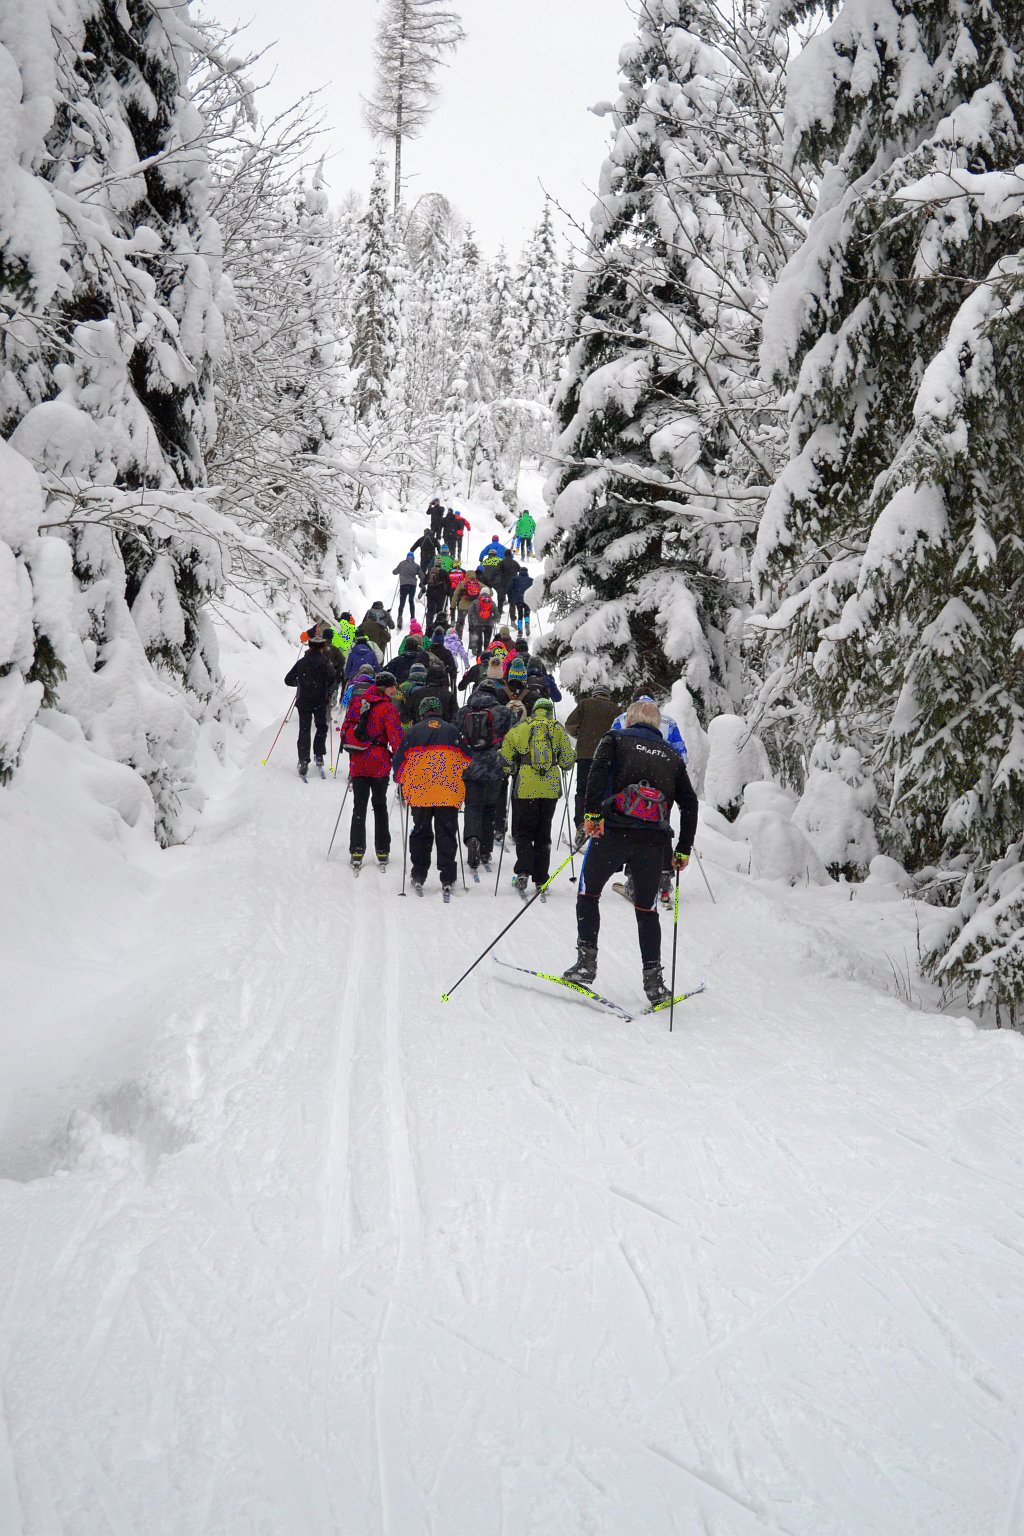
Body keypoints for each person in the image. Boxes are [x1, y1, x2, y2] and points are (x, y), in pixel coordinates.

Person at [564, 699, 698, 1005]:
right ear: (657, 725)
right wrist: (682, 849)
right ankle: (654, 983)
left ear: (629, 720)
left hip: (613, 833)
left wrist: (592, 815)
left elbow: (596, 775)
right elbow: (689, 803)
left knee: (588, 893)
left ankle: (586, 964)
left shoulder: (615, 739)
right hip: (653, 842)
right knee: (647, 910)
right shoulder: (671, 755)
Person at [611, 693, 688, 904]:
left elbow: (609, 749)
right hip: (663, 786)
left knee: (633, 831)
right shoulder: (668, 723)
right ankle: (664, 880)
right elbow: (682, 755)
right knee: (661, 828)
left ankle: (633, 883)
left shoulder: (622, 719)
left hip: (631, 787)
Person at [393, 697, 471, 898]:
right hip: (448, 793)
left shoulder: (412, 732)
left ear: (422, 711)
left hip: (420, 793)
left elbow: (399, 762)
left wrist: (399, 779)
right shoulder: (452, 731)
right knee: (446, 834)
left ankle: (419, 874)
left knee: (421, 833)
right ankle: (448, 877)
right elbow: (467, 760)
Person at [498, 697, 574, 895]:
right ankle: (541, 878)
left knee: (524, 830)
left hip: (526, 787)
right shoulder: (557, 729)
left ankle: (523, 871)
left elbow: (504, 756)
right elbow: (567, 762)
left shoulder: (522, 728)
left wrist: (512, 768)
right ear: (549, 711)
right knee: (543, 832)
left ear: (534, 710)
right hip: (550, 789)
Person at [341, 670, 403, 868]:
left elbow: (346, 729)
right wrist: (401, 762)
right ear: (384, 688)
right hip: (379, 763)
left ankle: (356, 850)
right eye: (392, 687)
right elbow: (396, 739)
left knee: (359, 806)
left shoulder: (358, 702)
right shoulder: (388, 709)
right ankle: (382, 850)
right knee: (380, 805)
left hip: (358, 762)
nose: (394, 690)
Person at [459, 686, 513, 872]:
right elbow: (513, 738)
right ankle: (485, 851)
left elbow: (456, 736)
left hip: (470, 768)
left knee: (472, 806)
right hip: (494, 768)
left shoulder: (464, 712)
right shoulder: (504, 712)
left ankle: (473, 838)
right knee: (490, 808)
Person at [565, 686, 619, 840]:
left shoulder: (585, 704)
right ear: (607, 695)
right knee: (602, 791)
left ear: (594, 694)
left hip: (586, 754)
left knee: (583, 791)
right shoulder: (615, 709)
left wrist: (581, 734)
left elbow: (570, 725)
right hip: (607, 756)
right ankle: (599, 827)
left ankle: (582, 826)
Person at [284, 626, 336, 778]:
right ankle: (319, 755)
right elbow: (333, 679)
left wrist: (300, 683)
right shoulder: (326, 662)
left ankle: (303, 760)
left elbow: (288, 679)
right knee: (321, 727)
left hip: (304, 701)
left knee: (304, 730)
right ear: (322, 647)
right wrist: (326, 689)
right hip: (320, 700)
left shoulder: (301, 662)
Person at [451, 568, 482, 638]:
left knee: (460, 623)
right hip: (474, 607)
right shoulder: (478, 583)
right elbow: (490, 592)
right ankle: (473, 642)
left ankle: (458, 638)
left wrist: (453, 605)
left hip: (463, 607)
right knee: (472, 624)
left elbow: (455, 595)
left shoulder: (462, 583)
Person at [467, 587, 496, 657]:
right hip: (488, 625)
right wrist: (494, 619)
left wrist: (471, 624)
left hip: (478, 625)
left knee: (479, 643)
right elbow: (497, 615)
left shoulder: (475, 602)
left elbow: (470, 613)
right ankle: (486, 657)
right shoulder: (492, 602)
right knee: (486, 643)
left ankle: (479, 657)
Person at [392, 553, 419, 627]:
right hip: (412, 585)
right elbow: (421, 574)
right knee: (411, 601)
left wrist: (399, 571)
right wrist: (423, 584)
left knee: (402, 602)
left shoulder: (402, 563)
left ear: (407, 557)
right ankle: (412, 619)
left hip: (403, 585)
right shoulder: (416, 565)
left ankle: (400, 617)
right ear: (413, 558)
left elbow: (394, 572)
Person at [506, 564, 534, 636]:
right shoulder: (531, 580)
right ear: (527, 572)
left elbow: (509, 589)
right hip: (527, 600)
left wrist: (510, 598)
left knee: (520, 615)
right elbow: (534, 590)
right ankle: (527, 622)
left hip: (518, 600)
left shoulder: (515, 579)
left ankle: (520, 630)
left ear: (520, 572)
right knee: (527, 614)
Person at [424, 564, 450, 632]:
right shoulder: (444, 572)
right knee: (440, 610)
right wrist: (448, 592)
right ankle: (439, 626)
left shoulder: (430, 572)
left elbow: (424, 582)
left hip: (430, 593)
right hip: (440, 594)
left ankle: (428, 625)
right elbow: (448, 582)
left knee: (430, 610)